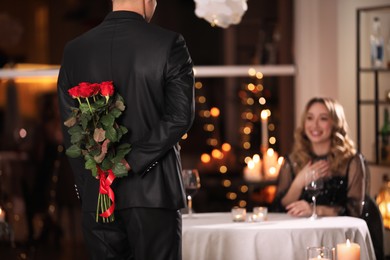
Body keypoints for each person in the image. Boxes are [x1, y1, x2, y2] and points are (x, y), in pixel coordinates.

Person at [57, 0, 195, 259]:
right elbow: (179, 117)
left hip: (97, 199)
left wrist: (89, 188)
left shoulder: (75, 50)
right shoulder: (169, 43)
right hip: (153, 197)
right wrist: (131, 161)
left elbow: (70, 131)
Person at [271, 97, 384, 260]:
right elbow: (278, 210)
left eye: (323, 118)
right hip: (304, 240)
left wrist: (315, 210)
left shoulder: (351, 161)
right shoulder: (293, 161)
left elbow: (354, 211)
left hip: (342, 241)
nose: (314, 125)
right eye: (310, 118)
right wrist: (299, 181)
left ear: (335, 124)